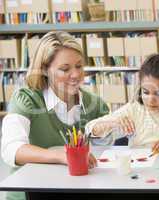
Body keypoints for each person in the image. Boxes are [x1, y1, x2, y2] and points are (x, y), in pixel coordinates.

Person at [1, 31, 109, 200]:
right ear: (45, 70)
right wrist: (62, 156)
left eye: (79, 66)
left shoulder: (93, 103)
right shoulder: (26, 100)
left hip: (76, 190)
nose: (75, 75)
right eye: (64, 69)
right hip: (32, 193)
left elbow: (108, 148)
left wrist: (114, 128)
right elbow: (11, 150)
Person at [86, 53, 159, 152]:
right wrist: (113, 124)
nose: (150, 100)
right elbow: (90, 129)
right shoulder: (133, 110)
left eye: (158, 94)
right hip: (140, 171)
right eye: (146, 92)